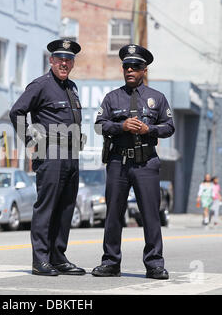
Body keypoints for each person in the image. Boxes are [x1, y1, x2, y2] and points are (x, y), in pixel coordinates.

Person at [91, 44, 175, 280]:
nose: (130, 70)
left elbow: (169, 127)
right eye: (126, 66)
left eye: (135, 66)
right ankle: (110, 262)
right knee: (114, 214)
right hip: (118, 162)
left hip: (146, 163)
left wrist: (149, 129)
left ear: (144, 70)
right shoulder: (112, 97)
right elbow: (99, 125)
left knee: (150, 214)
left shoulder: (157, 98)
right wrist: (121, 126)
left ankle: (155, 264)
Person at [9, 39, 86, 276]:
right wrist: (31, 141)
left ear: (72, 63)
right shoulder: (40, 85)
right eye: (60, 59)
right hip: (50, 152)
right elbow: (17, 111)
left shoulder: (71, 87)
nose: (64, 63)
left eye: (69, 59)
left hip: (71, 153)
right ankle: (40, 259)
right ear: (51, 60)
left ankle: (58, 256)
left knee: (65, 207)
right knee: (47, 207)